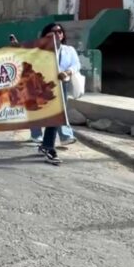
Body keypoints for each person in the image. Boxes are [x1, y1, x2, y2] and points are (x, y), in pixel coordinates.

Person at [37, 23, 82, 165]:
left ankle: (47, 145)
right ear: (46, 35)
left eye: (60, 31)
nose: (58, 34)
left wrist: (67, 72)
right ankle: (48, 147)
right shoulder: (40, 50)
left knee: (56, 116)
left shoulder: (69, 50)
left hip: (62, 85)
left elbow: (76, 65)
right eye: (54, 31)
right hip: (44, 86)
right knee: (53, 116)